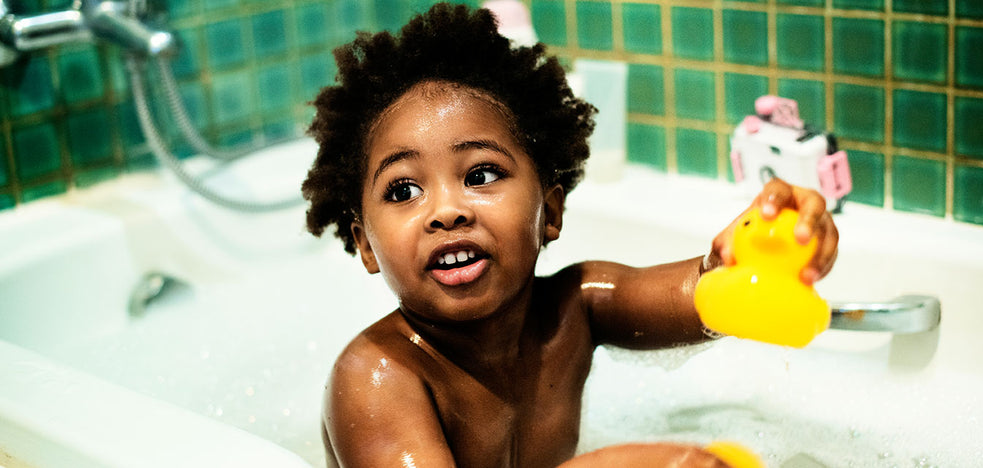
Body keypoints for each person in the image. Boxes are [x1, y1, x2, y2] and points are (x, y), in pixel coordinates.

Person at [302, 3, 838, 467]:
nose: (446, 211)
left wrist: (770, 254)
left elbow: (712, 291)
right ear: (366, 244)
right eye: (402, 191)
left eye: (481, 175)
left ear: (550, 211)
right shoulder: (376, 378)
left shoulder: (577, 309)